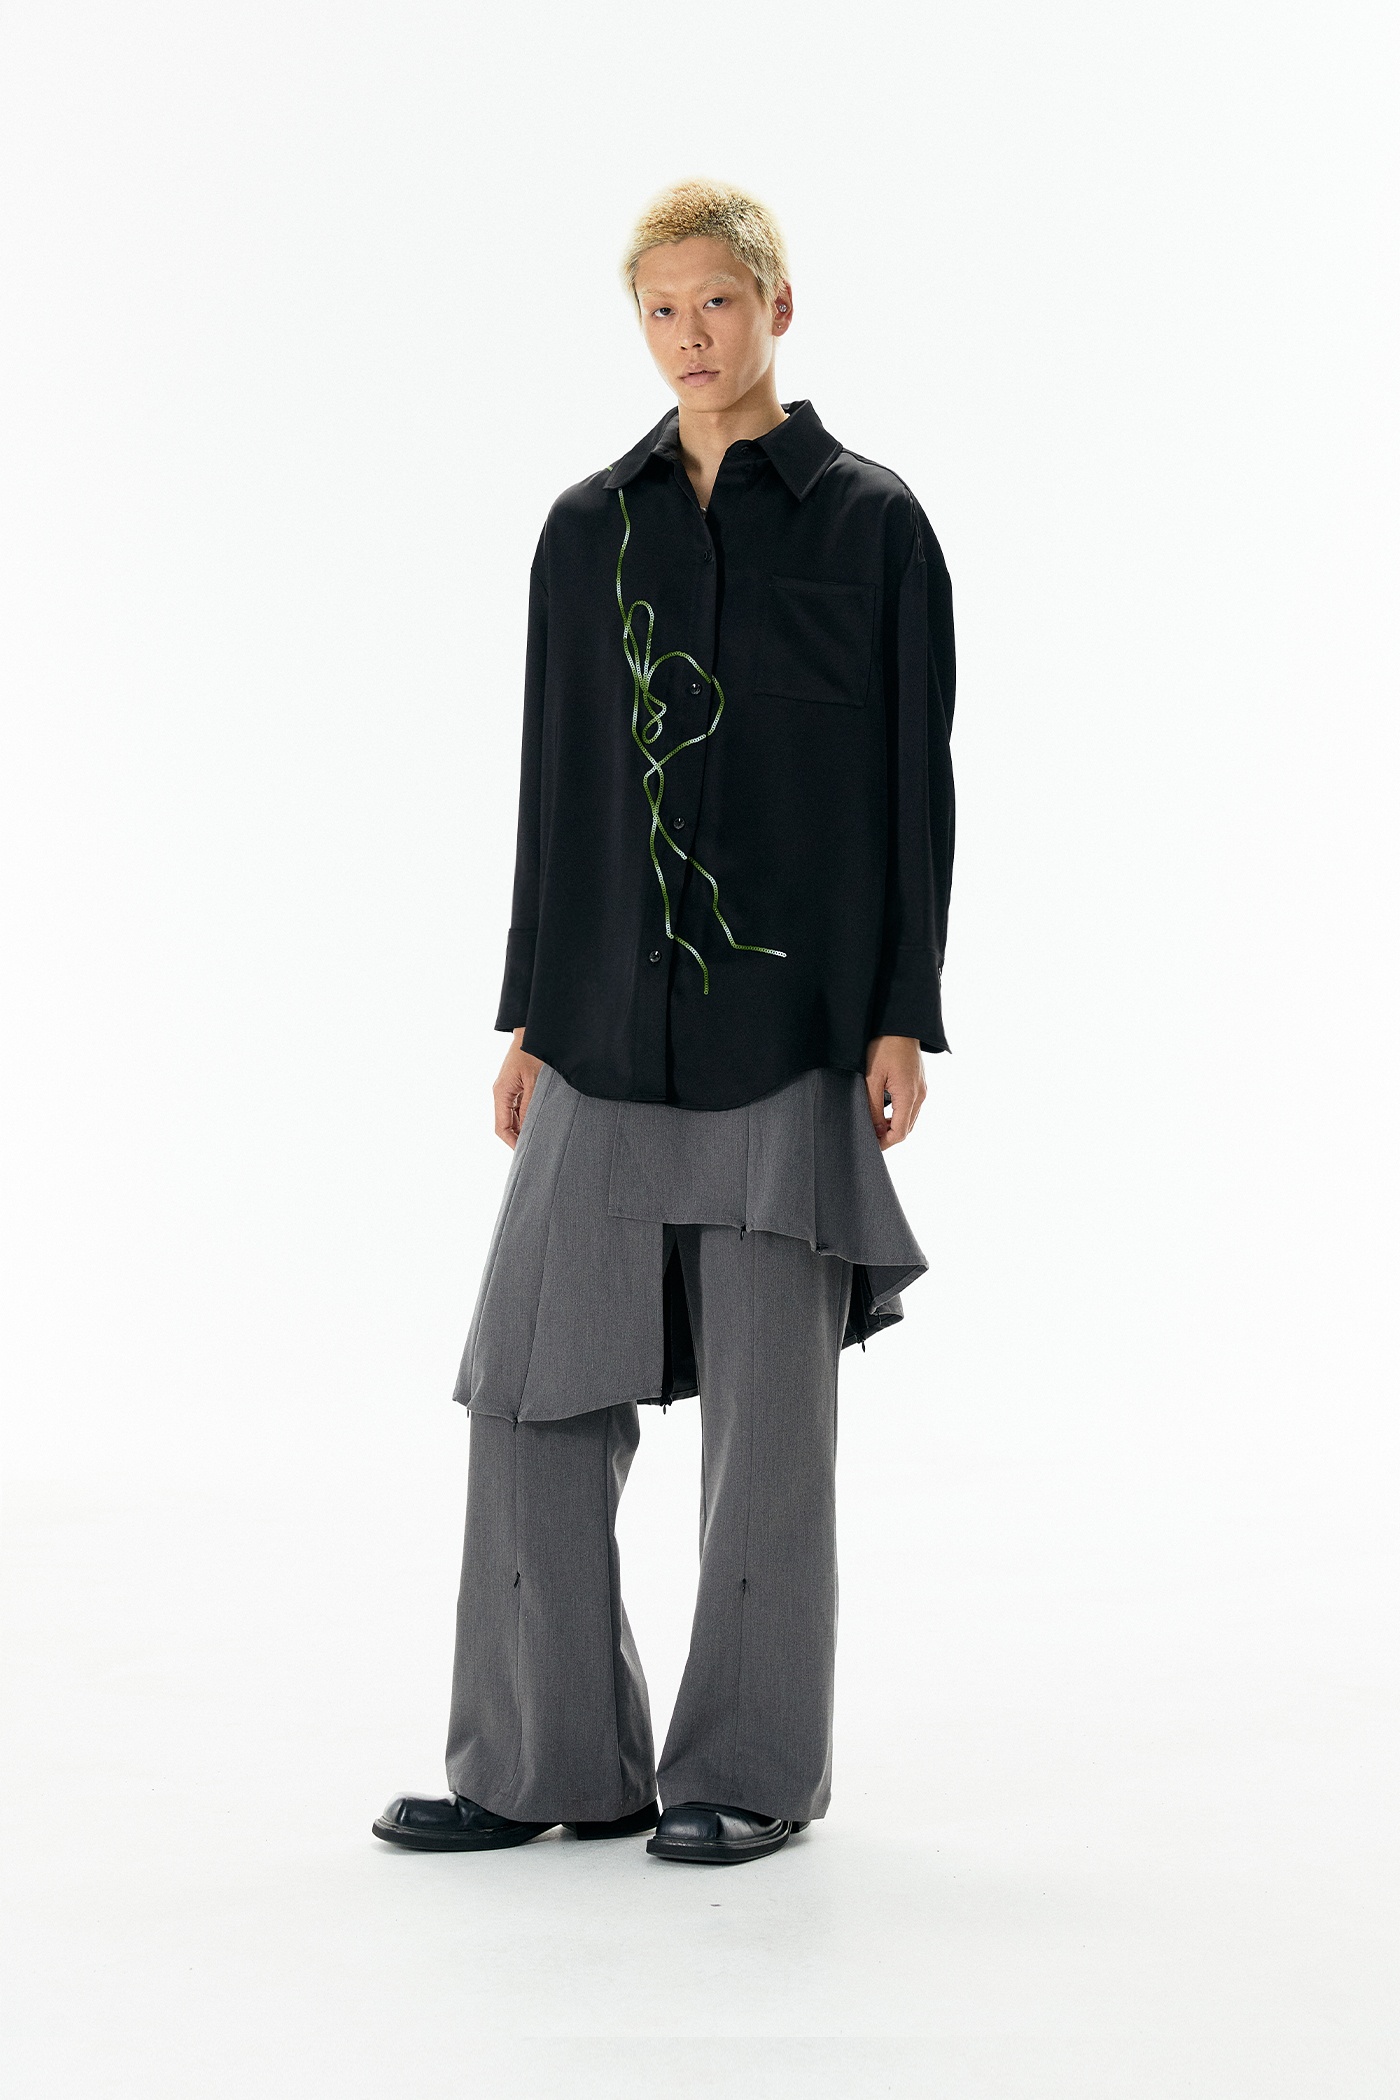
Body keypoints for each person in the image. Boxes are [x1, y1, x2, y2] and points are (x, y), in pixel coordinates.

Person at [373, 177, 956, 1867]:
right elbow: (554, 783)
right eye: (662, 311)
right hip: (604, 1022)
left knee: (770, 1428)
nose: (691, 337)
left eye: (717, 303)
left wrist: (901, 1014)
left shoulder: (873, 525)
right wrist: (527, 1015)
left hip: (790, 1021)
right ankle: (544, 1761)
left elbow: (911, 785)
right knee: (529, 1393)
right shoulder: (588, 530)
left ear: (779, 306)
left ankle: (749, 1770)